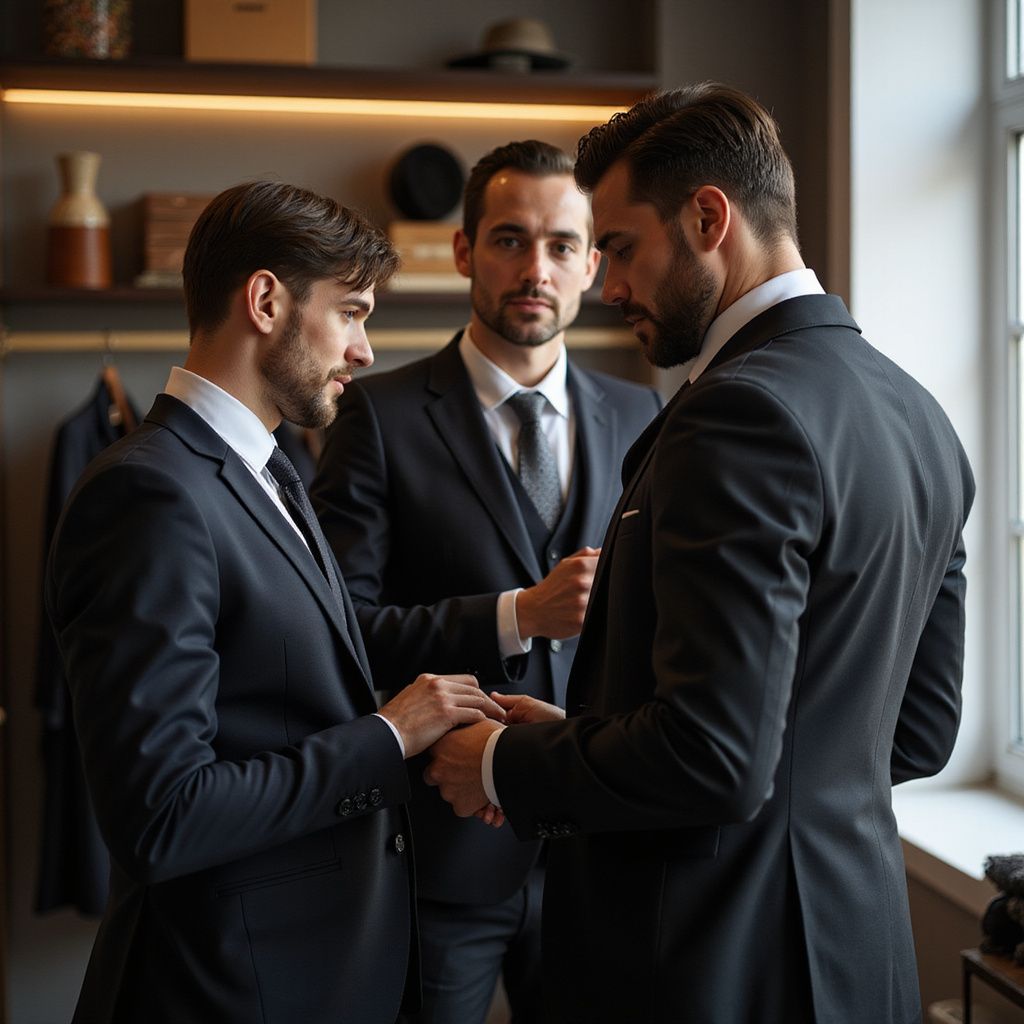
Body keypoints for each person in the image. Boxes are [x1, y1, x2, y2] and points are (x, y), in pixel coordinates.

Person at [425, 85, 975, 1024]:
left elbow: (718, 760)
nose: (605, 285)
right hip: (857, 950)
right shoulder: (915, 410)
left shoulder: (737, 412)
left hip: (714, 965)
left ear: (708, 217)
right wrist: (589, 729)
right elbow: (914, 730)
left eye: (622, 246)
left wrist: (507, 763)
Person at [45, 180, 504, 1024]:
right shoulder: (150, 495)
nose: (365, 349)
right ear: (265, 300)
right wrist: (388, 735)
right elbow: (163, 817)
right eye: (353, 312)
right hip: (230, 989)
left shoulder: (277, 474)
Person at [311, 140, 661, 1024]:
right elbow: (339, 630)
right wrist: (519, 615)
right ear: (465, 251)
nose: (535, 268)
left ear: (592, 261)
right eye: (509, 239)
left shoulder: (643, 413)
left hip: (596, 843)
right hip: (443, 850)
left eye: (561, 245)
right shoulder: (378, 415)